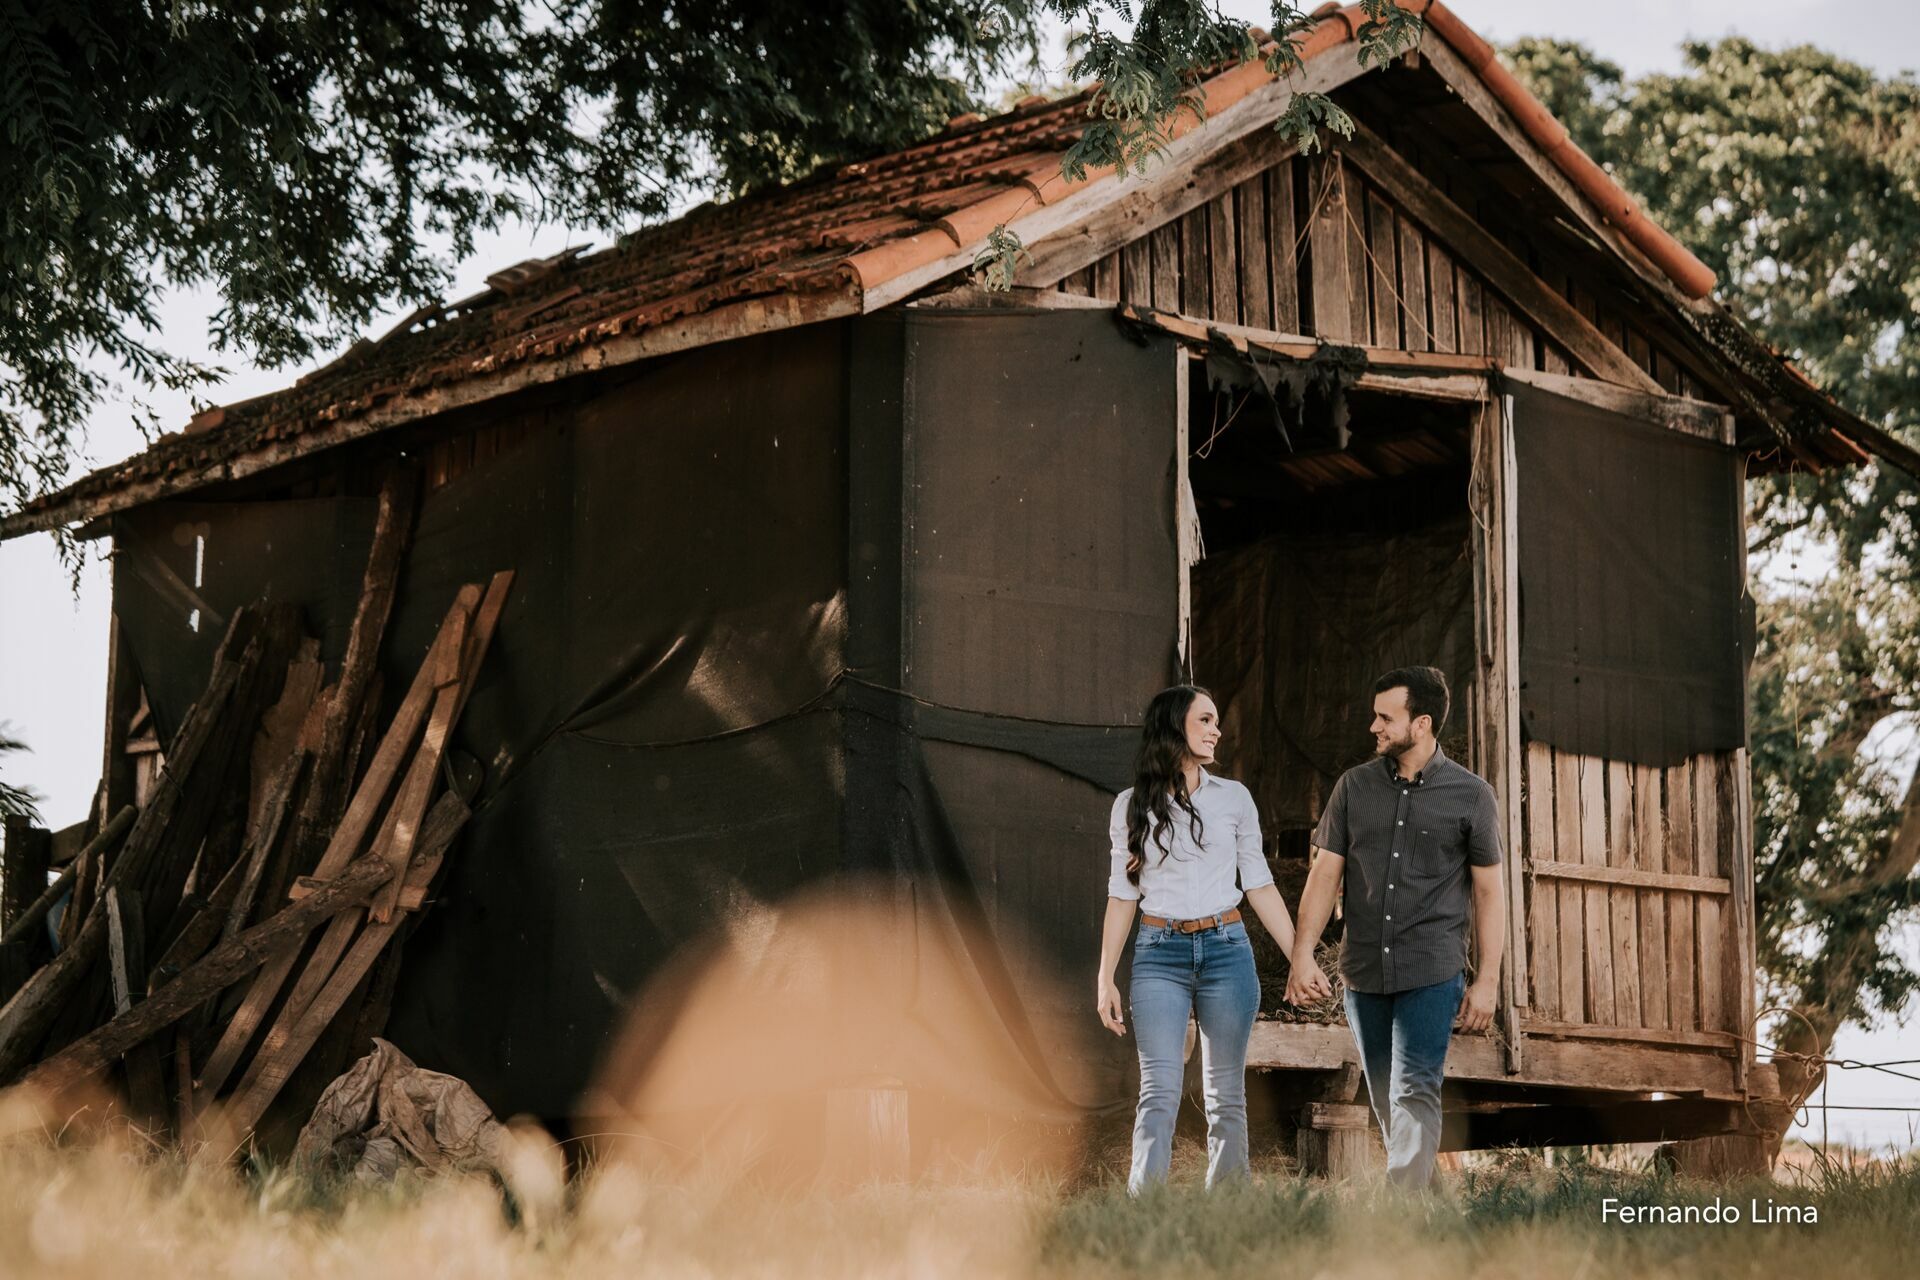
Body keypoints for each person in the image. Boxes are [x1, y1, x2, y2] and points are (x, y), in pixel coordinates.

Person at [1285, 666, 1505, 1191]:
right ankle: (1430, 1209)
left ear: (1422, 723)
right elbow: (1323, 877)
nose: (1373, 726)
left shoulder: (1472, 796)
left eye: (1386, 717)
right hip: (1363, 972)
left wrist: (1488, 979)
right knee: (1387, 1099)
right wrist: (1302, 955)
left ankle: (1401, 1217)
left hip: (1432, 969)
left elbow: (1489, 892)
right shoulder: (1354, 788)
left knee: (1414, 1090)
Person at [1095, 684, 1299, 1194]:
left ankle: (1229, 1205)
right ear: (1174, 728)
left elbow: (1259, 884)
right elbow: (1123, 895)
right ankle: (1145, 1209)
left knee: (1225, 1093)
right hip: (1158, 955)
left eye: (1215, 722)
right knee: (1158, 1089)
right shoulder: (1130, 806)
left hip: (1226, 951)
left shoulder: (1234, 799)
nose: (1216, 730)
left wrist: (1302, 956)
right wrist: (1104, 978)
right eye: (1205, 720)